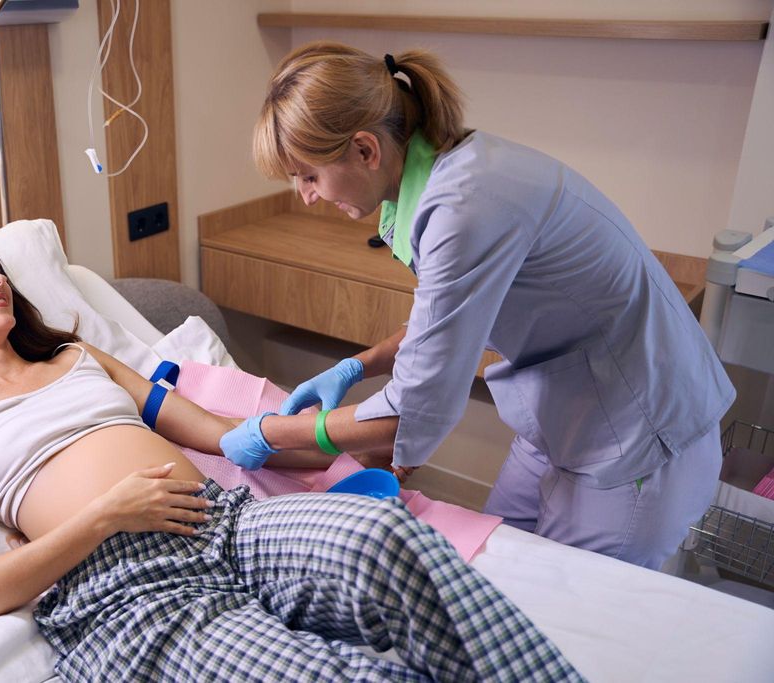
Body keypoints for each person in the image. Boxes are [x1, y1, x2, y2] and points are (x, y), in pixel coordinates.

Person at [0, 227, 580, 682]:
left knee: (385, 536)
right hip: (131, 585)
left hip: (228, 524)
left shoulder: (75, 354)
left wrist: (342, 424)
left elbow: (221, 434)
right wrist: (108, 514)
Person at [219, 41, 735, 570]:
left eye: (309, 175)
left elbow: (413, 410)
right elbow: (445, 325)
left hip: (637, 436)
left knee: (563, 615)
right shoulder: (439, 180)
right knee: (495, 566)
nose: (305, 195)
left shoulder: (464, 204)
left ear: (365, 150)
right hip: (567, 410)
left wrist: (274, 433)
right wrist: (359, 365)